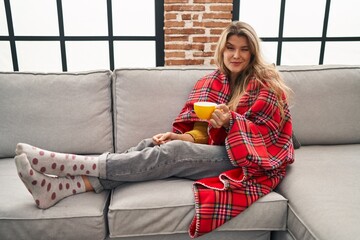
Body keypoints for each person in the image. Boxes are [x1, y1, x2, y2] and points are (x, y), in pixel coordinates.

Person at [14, 21, 294, 238]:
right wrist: (179, 135)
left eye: (244, 49)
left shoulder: (264, 84)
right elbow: (200, 134)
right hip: (216, 153)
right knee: (154, 145)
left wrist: (232, 123)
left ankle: (67, 164)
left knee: (173, 153)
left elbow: (266, 137)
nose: (236, 55)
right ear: (221, 50)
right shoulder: (211, 82)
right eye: (230, 47)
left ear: (253, 52)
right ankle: (62, 188)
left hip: (247, 162)